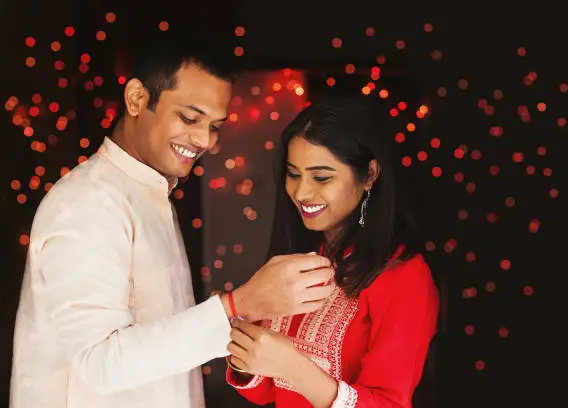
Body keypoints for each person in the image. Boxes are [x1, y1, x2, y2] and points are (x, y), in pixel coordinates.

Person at [9, 34, 335, 408]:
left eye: (215, 125)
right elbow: (98, 364)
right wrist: (237, 304)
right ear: (136, 99)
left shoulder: (148, 193)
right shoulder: (90, 203)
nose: (204, 140)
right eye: (189, 117)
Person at [225, 96, 440, 407]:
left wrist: (294, 368)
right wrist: (242, 339)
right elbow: (263, 391)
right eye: (293, 173)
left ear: (369, 175)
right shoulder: (300, 259)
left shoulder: (403, 275)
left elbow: (390, 403)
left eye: (322, 177)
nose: (301, 192)